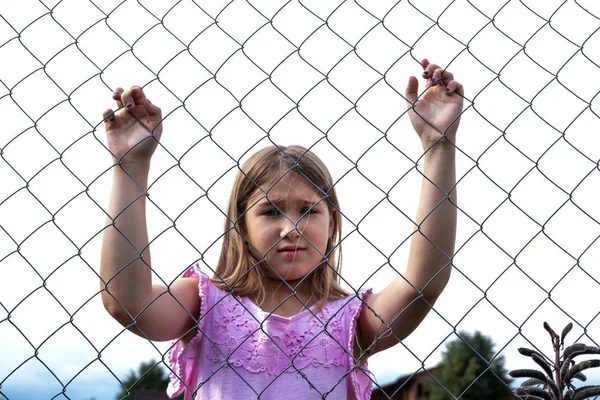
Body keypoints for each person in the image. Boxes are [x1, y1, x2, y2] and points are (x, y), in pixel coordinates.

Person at [100, 58, 464, 400]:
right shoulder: (204, 304)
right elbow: (127, 304)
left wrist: (438, 147)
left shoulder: (351, 320)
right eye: (271, 212)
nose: (291, 228)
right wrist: (129, 167)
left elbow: (423, 284)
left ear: (332, 222)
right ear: (240, 225)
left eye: (308, 210)